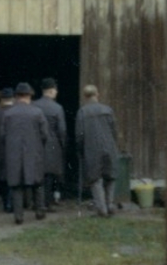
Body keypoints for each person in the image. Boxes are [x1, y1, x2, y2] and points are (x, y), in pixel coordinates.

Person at [0, 82, 50, 224]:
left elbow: (2, 135)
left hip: (14, 154)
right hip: (34, 153)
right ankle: (40, 211)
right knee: (38, 183)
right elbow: (45, 134)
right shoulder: (37, 112)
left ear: (16, 96)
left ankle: (18, 216)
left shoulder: (8, 113)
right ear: (30, 96)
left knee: (16, 185)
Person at [75, 84, 120, 217]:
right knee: (110, 176)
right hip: (109, 146)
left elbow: (79, 135)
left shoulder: (82, 112)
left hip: (92, 148)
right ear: (97, 94)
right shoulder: (107, 110)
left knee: (95, 179)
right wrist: (114, 144)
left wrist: (80, 150)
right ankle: (110, 205)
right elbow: (114, 130)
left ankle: (101, 209)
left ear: (85, 96)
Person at [37, 76, 67, 211]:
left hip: (36, 144)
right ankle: (46, 203)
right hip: (52, 145)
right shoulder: (57, 108)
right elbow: (62, 130)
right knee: (49, 176)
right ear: (50, 91)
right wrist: (63, 144)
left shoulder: (34, 105)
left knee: (37, 175)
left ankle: (36, 202)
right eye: (55, 90)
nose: (56, 92)